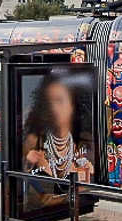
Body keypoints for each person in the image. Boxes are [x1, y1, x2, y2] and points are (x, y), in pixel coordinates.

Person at [21, 69, 93, 206]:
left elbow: (89, 180)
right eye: (50, 102)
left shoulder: (83, 140)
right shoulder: (35, 139)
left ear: (71, 105)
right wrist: (27, 162)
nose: (54, 108)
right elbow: (16, 176)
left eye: (60, 100)